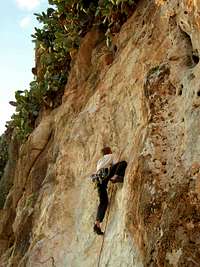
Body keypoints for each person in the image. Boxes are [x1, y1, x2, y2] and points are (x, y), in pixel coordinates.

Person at [91, 146, 127, 235]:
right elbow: (116, 164)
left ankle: (97, 223)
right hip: (105, 176)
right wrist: (114, 172)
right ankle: (116, 176)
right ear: (109, 151)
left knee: (103, 202)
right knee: (123, 163)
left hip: (98, 181)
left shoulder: (99, 161)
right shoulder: (111, 155)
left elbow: (99, 170)